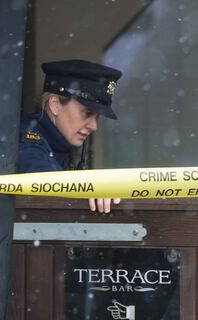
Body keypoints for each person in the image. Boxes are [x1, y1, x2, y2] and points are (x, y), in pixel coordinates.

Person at [17, 59, 121, 213]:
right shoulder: (26, 141)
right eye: (87, 113)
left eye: (97, 117)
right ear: (55, 105)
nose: (94, 126)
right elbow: (45, 186)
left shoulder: (55, 143)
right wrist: (92, 186)